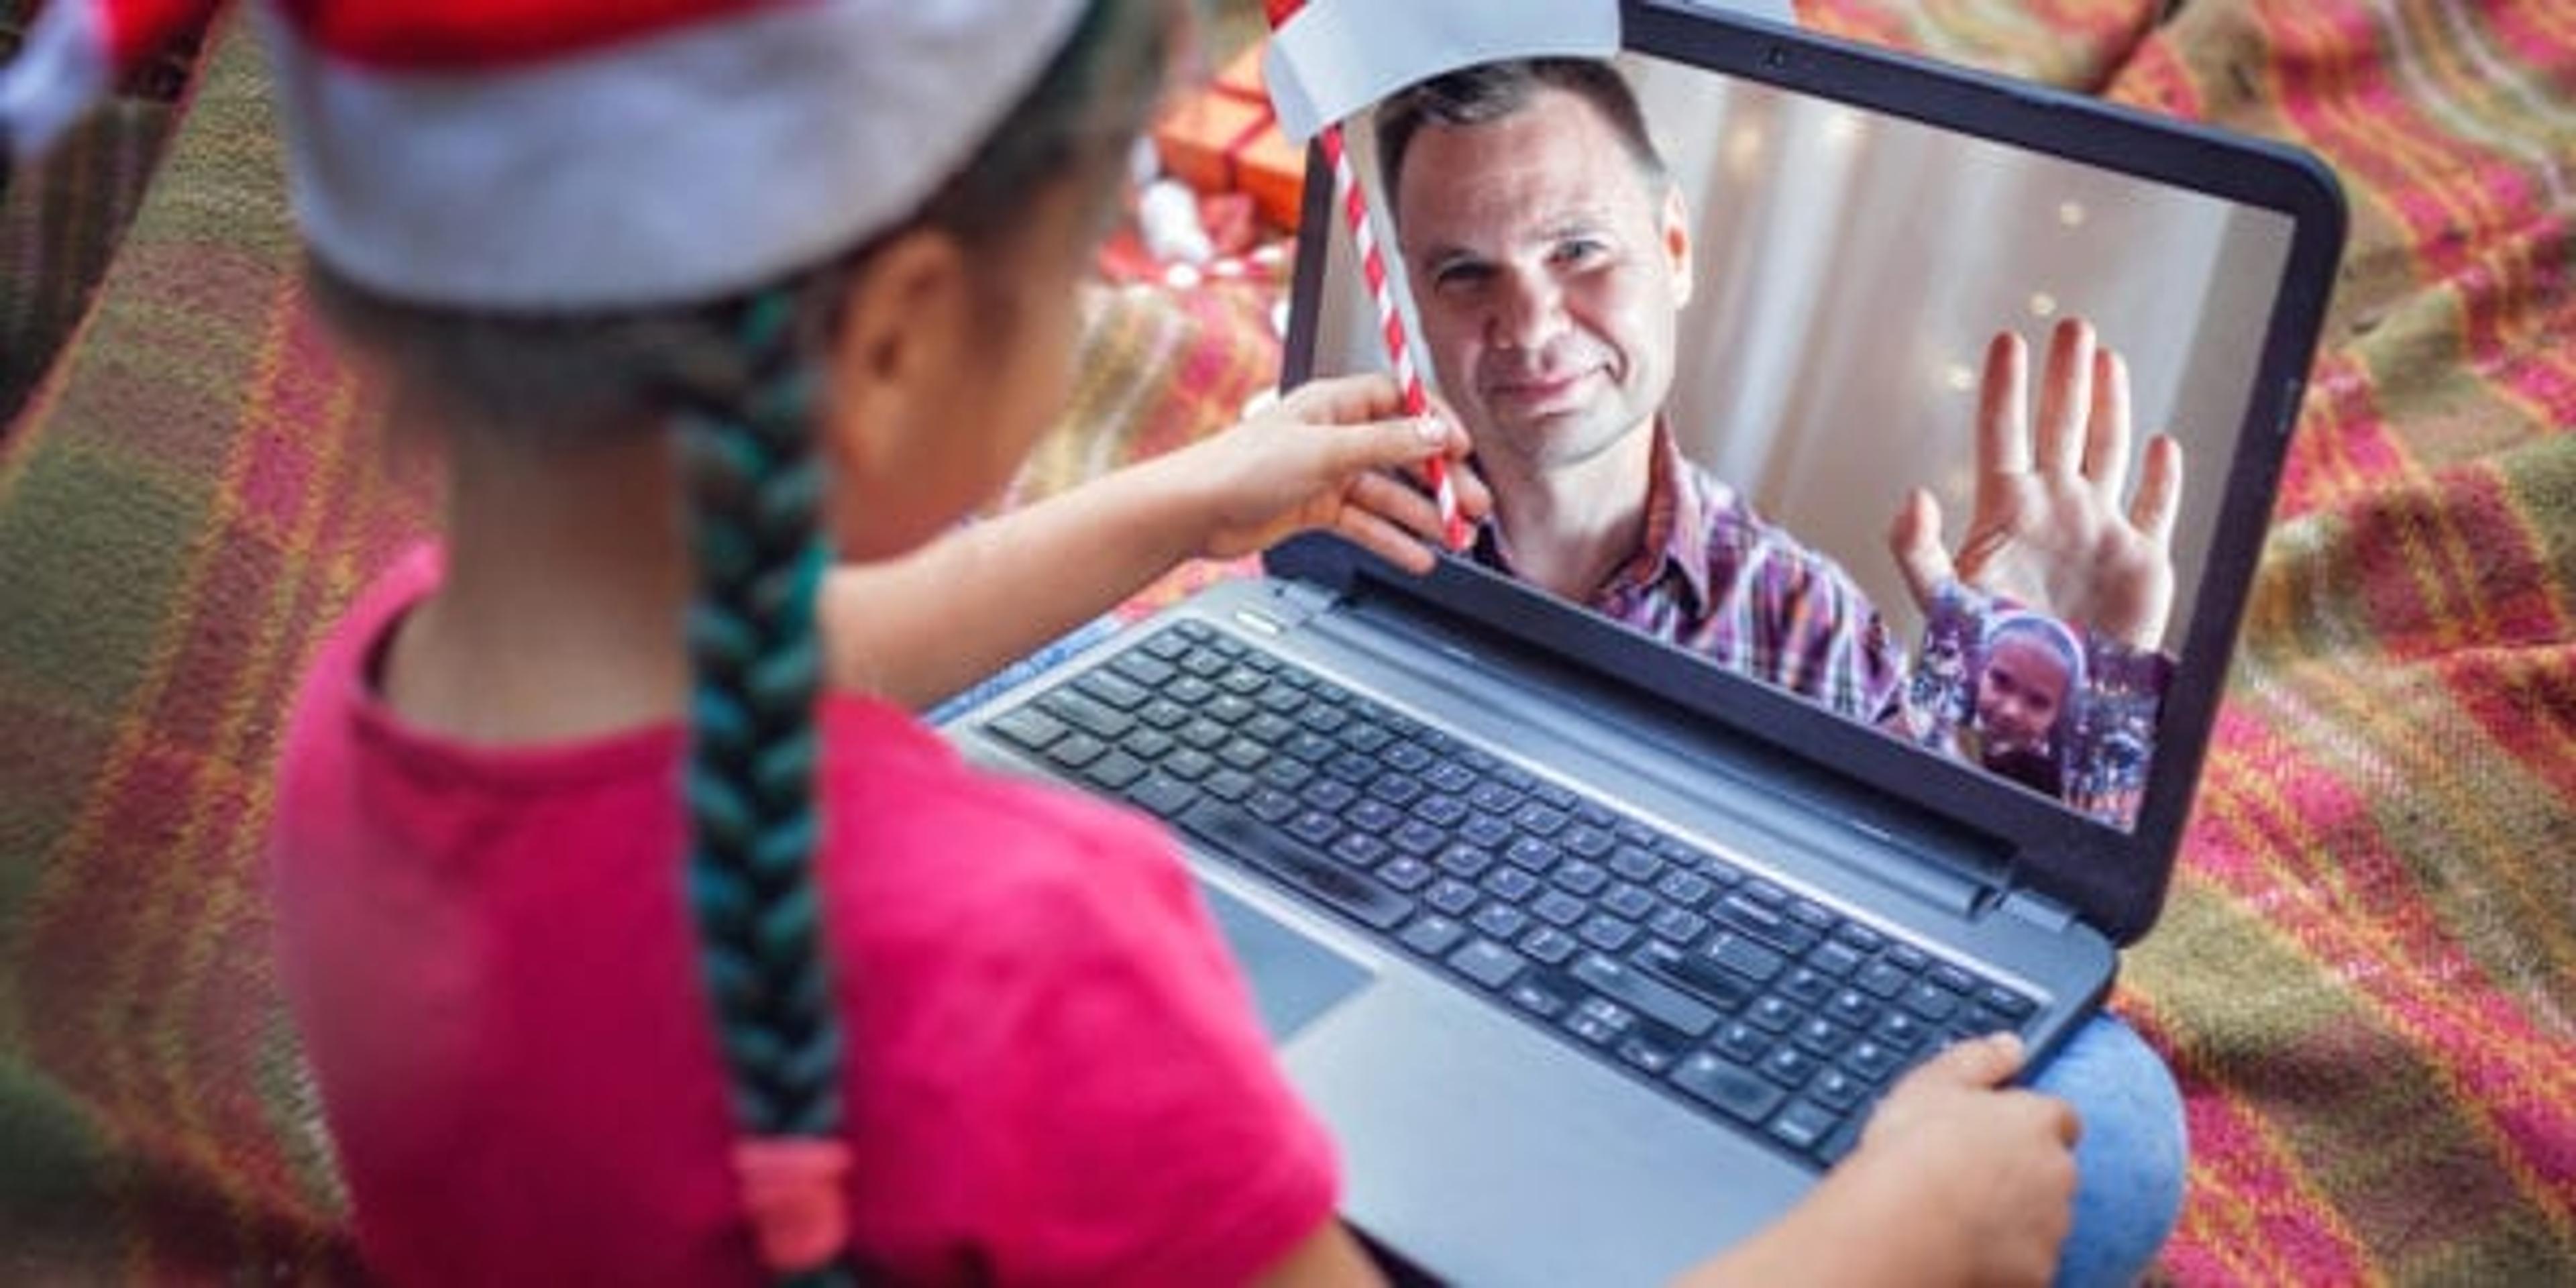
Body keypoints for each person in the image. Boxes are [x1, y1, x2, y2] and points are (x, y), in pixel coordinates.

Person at [5, 2, 2168, 1284]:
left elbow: (808, 644)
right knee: (2102, 1128)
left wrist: (1178, 496)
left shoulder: (379, 698)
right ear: (896, 344)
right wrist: (1883, 1242)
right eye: (1074, 256)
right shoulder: (1037, 957)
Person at [1373, 59, 2182, 822]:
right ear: (1414, 299)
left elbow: (1968, 895)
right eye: (1465, 274)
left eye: (1578, 249)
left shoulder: (1810, 628)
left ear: (1675, 252)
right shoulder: (1347, 526)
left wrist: (2056, 705)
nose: (1531, 325)